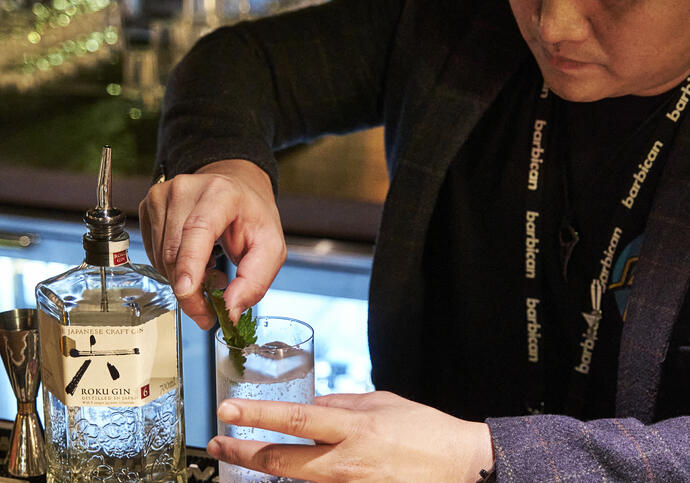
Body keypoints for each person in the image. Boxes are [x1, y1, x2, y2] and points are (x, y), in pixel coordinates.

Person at [139, 0, 690, 480]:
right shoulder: (458, 21)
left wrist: (482, 457)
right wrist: (230, 168)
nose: (554, 25)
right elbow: (241, 63)